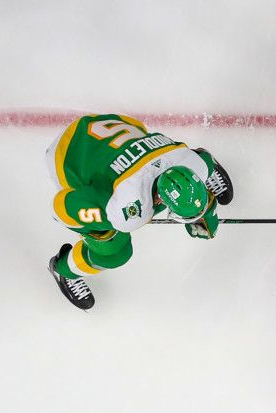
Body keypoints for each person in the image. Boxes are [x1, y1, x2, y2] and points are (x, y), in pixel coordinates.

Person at [45, 113, 234, 309]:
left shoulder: (195, 162)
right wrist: (103, 231)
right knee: (115, 254)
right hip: (68, 155)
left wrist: (204, 211)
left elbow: (203, 158)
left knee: (203, 169)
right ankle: (64, 270)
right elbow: (61, 208)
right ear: (160, 198)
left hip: (101, 128)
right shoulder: (124, 207)